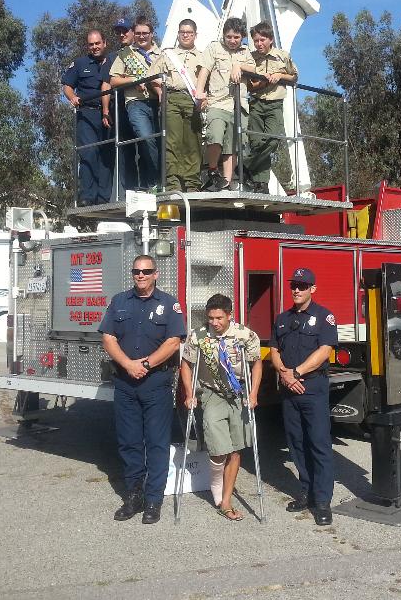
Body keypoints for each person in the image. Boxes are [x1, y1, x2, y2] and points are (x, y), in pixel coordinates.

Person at [99, 254, 186, 524]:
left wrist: (145, 364)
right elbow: (108, 338)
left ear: (155, 274)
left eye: (146, 271)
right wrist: (128, 365)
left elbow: (173, 342)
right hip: (126, 383)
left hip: (156, 384)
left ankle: (153, 500)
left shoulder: (169, 304)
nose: (141, 275)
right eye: (137, 271)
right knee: (129, 442)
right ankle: (134, 496)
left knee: (157, 444)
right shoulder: (119, 302)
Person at [179, 293, 262, 521]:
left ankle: (226, 501)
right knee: (218, 449)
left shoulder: (245, 335)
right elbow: (186, 365)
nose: (214, 323)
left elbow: (256, 364)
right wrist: (189, 394)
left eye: (219, 318)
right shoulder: (198, 336)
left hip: (238, 393)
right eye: (210, 318)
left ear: (229, 315)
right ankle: (216, 483)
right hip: (212, 393)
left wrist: (253, 393)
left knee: (235, 449)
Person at [269, 267, 337, 526]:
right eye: (294, 285)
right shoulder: (282, 319)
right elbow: (274, 350)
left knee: (319, 444)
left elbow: (325, 351)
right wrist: (285, 375)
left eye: (302, 286)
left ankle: (322, 501)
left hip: (313, 388)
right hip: (289, 390)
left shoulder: (323, 317)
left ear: (312, 289)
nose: (296, 290)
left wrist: (296, 372)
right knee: (296, 443)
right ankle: (306, 492)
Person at [195, 17, 257, 192]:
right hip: (218, 102)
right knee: (214, 135)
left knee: (233, 145)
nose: (232, 40)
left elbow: (254, 69)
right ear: (223, 35)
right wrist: (199, 92)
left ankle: (226, 182)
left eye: (236, 37)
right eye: (229, 37)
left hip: (239, 105)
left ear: (242, 37)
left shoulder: (245, 51)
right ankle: (213, 170)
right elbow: (205, 70)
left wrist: (239, 65)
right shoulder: (214, 47)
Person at [150, 18, 203, 192]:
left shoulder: (203, 56)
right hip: (171, 98)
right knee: (172, 142)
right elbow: (152, 77)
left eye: (189, 32)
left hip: (192, 101)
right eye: (182, 32)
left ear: (195, 35)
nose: (185, 35)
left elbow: (209, 81)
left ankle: (192, 183)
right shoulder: (167, 54)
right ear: (178, 34)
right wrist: (160, 92)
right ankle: (173, 182)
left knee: (193, 143)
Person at [110, 16, 162, 190]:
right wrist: (133, 80)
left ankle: (153, 182)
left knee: (160, 142)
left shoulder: (161, 54)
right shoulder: (125, 54)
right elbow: (113, 81)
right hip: (136, 103)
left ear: (151, 34)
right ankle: (155, 181)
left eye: (145, 33)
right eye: (138, 33)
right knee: (146, 138)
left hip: (158, 102)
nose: (141, 36)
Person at [245, 22, 297, 193]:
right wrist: (262, 83)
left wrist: (279, 75)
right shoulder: (250, 58)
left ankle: (245, 166)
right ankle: (261, 184)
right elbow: (248, 86)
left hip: (275, 104)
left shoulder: (283, 56)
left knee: (272, 140)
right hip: (256, 103)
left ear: (271, 39)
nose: (259, 44)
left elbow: (294, 77)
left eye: (262, 40)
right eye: (256, 41)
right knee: (257, 143)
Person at [62, 30, 112, 205]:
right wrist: (72, 97)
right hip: (87, 114)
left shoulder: (113, 61)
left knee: (106, 155)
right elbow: (67, 86)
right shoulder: (79, 63)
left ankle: (103, 198)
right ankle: (87, 196)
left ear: (104, 43)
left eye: (97, 43)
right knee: (89, 152)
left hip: (108, 113)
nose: (95, 47)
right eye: (91, 44)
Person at [104, 18, 139, 194]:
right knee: (126, 151)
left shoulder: (146, 52)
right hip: (121, 109)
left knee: (147, 144)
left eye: (125, 31)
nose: (121, 34)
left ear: (133, 31)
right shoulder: (113, 57)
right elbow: (107, 83)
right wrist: (105, 110)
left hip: (143, 105)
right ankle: (128, 191)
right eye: (118, 32)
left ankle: (149, 185)